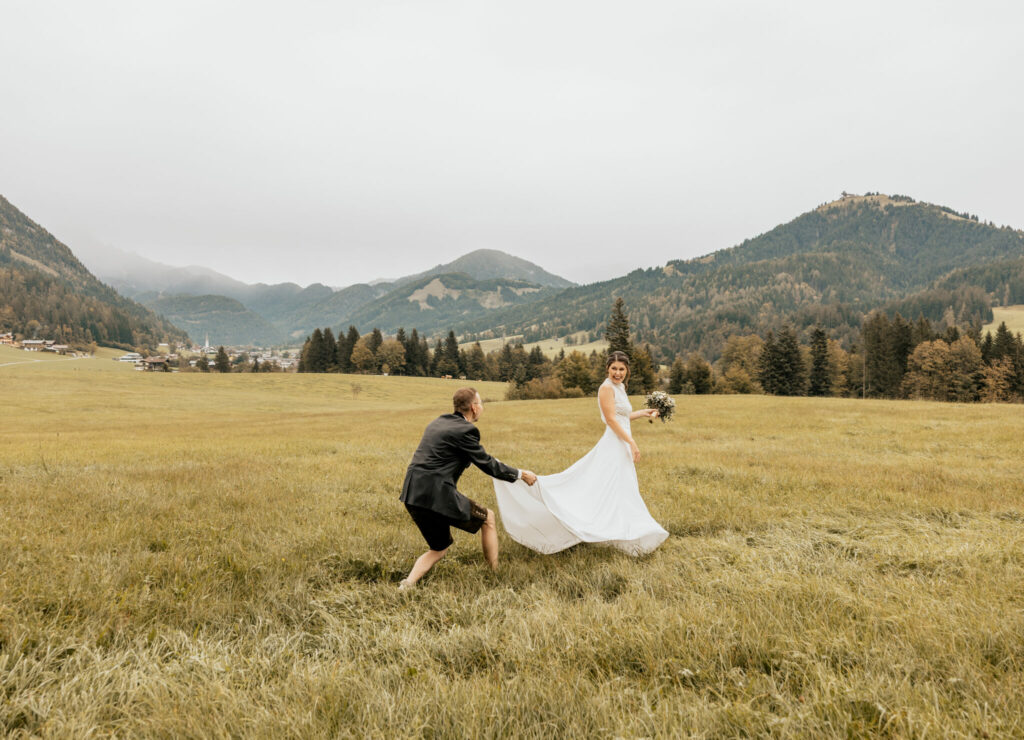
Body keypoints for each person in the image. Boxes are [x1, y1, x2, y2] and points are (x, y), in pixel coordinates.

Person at [492, 351, 669, 555]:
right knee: (600, 485)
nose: (618, 373)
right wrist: (631, 442)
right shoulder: (606, 388)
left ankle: (622, 531)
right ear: (607, 369)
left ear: (627, 370)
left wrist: (643, 413)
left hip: (621, 446)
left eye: (621, 369)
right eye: (614, 369)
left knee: (620, 488)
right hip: (615, 444)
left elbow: (622, 416)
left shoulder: (620, 387)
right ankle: (598, 526)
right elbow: (610, 420)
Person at [399, 387, 537, 589]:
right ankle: (494, 574)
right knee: (487, 518)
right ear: (473, 407)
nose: (482, 407)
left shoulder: (438, 422)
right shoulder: (467, 430)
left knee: (439, 548)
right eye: (480, 403)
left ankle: (407, 585)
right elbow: (488, 465)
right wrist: (521, 474)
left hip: (412, 494)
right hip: (436, 493)